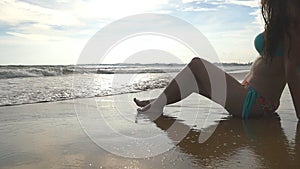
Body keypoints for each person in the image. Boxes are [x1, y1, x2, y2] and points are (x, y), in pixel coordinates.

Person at [134, 0, 300, 120]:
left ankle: (157, 105)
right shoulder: (283, 24)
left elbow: (291, 72)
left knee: (197, 65)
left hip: (255, 102)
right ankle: (158, 102)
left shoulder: (293, 27)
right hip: (250, 97)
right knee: (193, 81)